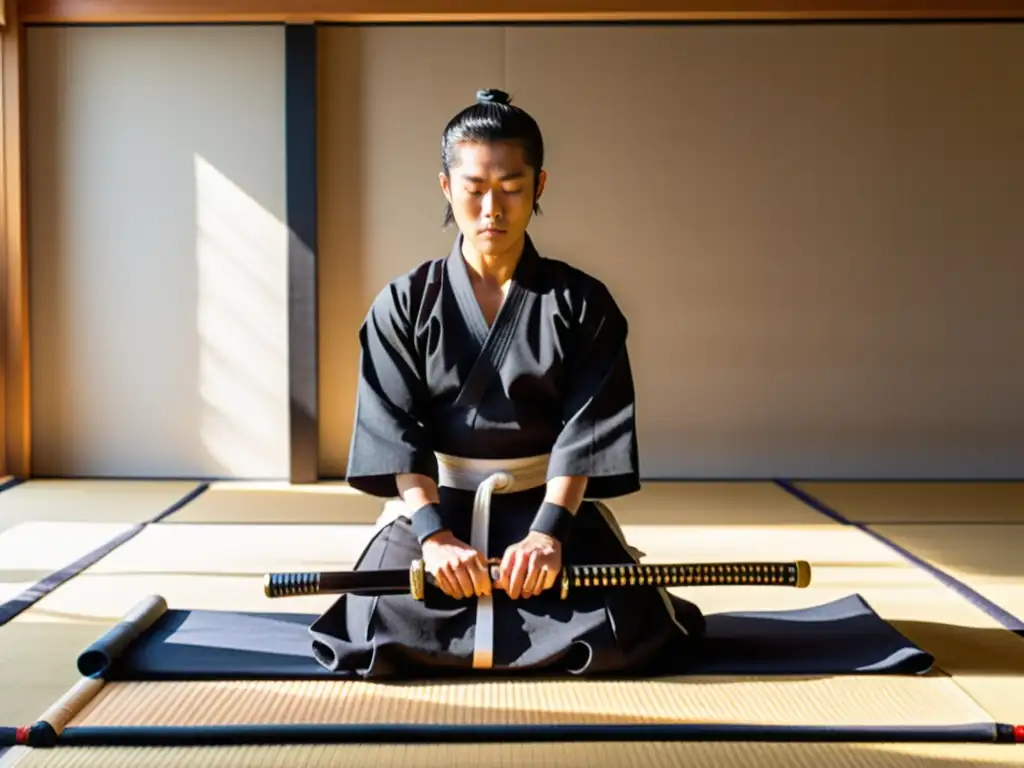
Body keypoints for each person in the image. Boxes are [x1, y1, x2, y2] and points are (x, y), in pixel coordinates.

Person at [308, 88, 706, 679]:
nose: (492, 207)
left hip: (549, 500)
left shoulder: (581, 303)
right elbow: (394, 431)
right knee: (375, 629)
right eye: (474, 189)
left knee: (623, 626)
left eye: (512, 187)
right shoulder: (403, 303)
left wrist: (548, 534)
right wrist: (434, 535)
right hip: (436, 502)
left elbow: (588, 428)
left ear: (539, 185)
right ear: (447, 187)